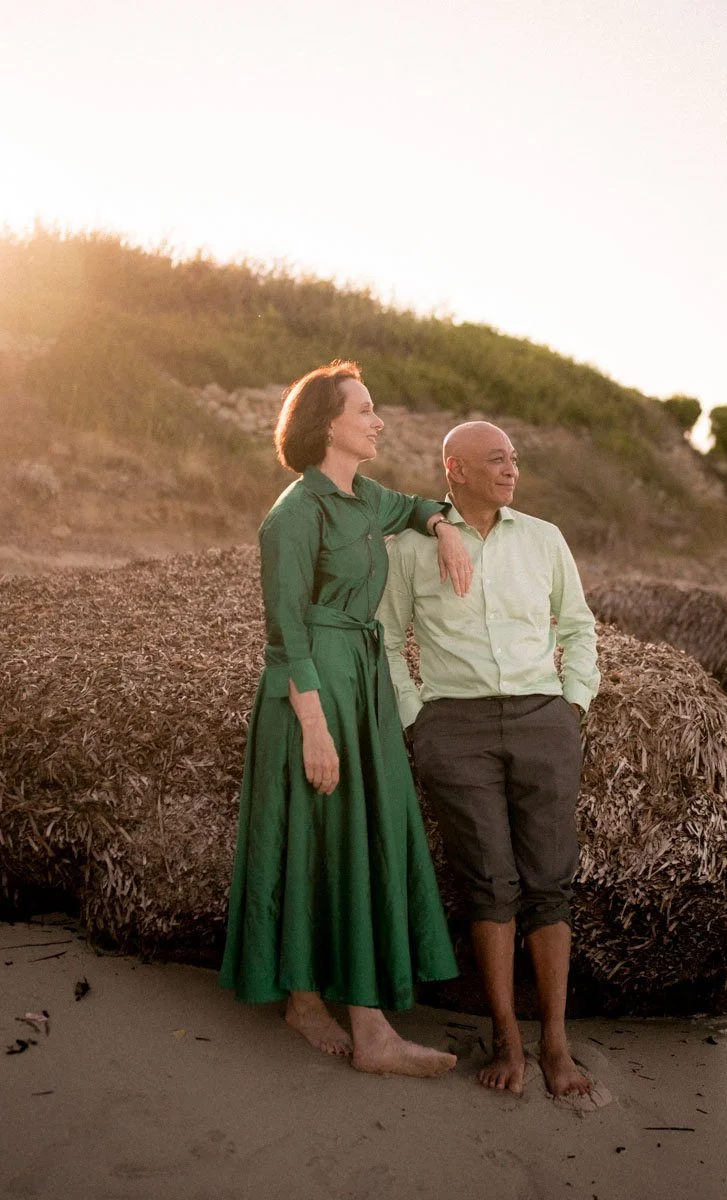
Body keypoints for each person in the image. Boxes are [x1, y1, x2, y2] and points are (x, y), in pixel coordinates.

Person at [220, 361, 473, 1078]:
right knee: (311, 837)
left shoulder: (366, 497)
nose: (378, 420)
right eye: (365, 409)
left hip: (362, 678)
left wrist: (444, 528)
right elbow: (284, 635)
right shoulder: (293, 515)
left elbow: (421, 503)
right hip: (313, 689)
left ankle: (322, 1006)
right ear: (328, 423)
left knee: (354, 835)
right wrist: (316, 727)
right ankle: (354, 1024)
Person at [377, 421, 600, 1097]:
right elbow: (387, 639)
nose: (512, 470)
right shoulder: (409, 547)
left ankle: (556, 1042)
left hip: (542, 720)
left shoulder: (543, 538)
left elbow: (577, 624)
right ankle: (507, 1040)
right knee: (491, 885)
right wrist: (420, 721)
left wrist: (573, 707)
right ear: (456, 468)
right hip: (457, 728)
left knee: (550, 883)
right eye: (497, 459)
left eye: (515, 460)